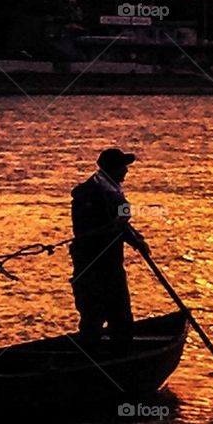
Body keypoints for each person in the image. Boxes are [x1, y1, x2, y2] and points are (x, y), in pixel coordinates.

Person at [70, 148, 150, 352]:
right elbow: (118, 221)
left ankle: (99, 353)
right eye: (123, 167)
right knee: (111, 313)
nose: (126, 171)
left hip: (94, 262)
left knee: (95, 314)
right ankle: (112, 357)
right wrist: (134, 238)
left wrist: (136, 238)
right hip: (100, 264)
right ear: (113, 169)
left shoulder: (108, 190)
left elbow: (123, 219)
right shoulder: (101, 194)